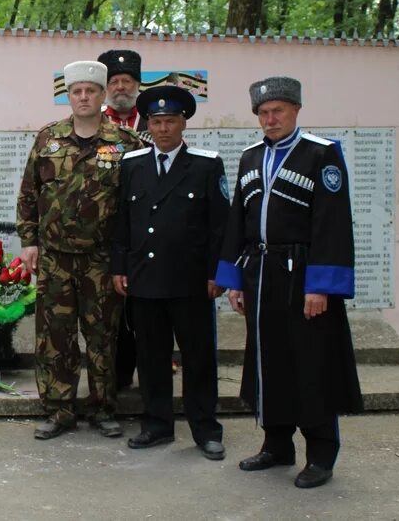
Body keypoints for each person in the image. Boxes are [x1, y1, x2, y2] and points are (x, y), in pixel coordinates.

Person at [215, 76, 363, 489]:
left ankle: (321, 452)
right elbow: (237, 223)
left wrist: (321, 286)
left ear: (296, 110)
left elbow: (332, 224)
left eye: (277, 111)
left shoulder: (321, 155)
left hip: (304, 276)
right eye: (263, 113)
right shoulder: (248, 158)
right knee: (268, 361)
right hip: (260, 273)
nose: (270, 119)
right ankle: (277, 444)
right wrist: (234, 279)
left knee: (311, 363)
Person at [17, 60, 142, 440]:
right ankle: (59, 410)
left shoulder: (125, 143)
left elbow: (135, 204)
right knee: (55, 336)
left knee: (103, 336)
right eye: (77, 91)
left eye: (91, 90)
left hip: (102, 259)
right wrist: (28, 241)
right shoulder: (48, 139)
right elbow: (28, 193)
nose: (83, 97)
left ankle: (103, 407)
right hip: (54, 257)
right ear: (68, 96)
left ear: (102, 95)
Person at [110, 84, 228, 460]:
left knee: (198, 358)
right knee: (151, 357)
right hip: (144, 279)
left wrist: (217, 273)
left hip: (191, 281)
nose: (163, 129)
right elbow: (122, 221)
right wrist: (119, 267)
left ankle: (206, 429)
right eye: (157, 121)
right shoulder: (132, 165)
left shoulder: (207, 165)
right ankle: (157, 425)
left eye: (171, 121)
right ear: (148, 124)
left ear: (183, 125)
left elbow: (219, 226)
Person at [97, 48, 147, 391]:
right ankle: (114, 379)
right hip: (104, 235)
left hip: (145, 233)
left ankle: (150, 377)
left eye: (126, 80)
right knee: (108, 314)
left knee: (142, 312)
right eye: (113, 81)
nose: (119, 87)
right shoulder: (92, 122)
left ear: (137, 85)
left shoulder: (158, 120)